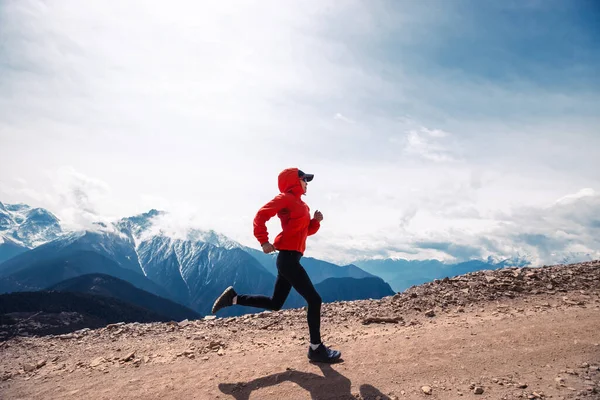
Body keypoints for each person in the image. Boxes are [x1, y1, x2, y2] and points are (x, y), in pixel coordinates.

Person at [211, 167, 341, 363]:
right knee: (314, 300)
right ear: (294, 181)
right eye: (305, 180)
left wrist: (315, 221)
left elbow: (304, 232)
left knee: (275, 303)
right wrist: (263, 241)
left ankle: (234, 298)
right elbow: (260, 216)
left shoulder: (302, 205)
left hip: (291, 259)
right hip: (287, 259)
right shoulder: (285, 199)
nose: (307, 183)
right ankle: (316, 348)